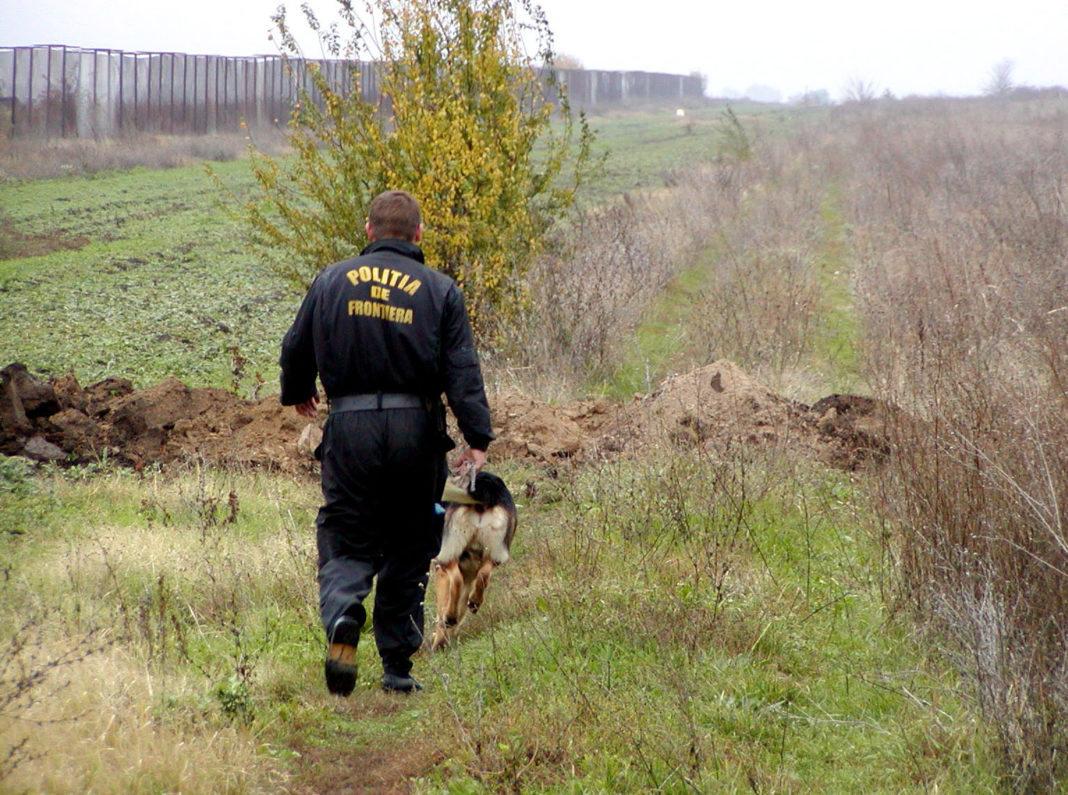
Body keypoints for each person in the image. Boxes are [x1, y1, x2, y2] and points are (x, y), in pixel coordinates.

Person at [279, 190, 494, 696]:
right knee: (410, 540)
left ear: (369, 231)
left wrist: (297, 390)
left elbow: (295, 346)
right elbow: (462, 370)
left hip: (350, 427)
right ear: (418, 235)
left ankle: (344, 615)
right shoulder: (440, 290)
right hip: (415, 432)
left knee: (348, 532)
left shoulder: (331, 280)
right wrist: (477, 436)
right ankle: (397, 668)